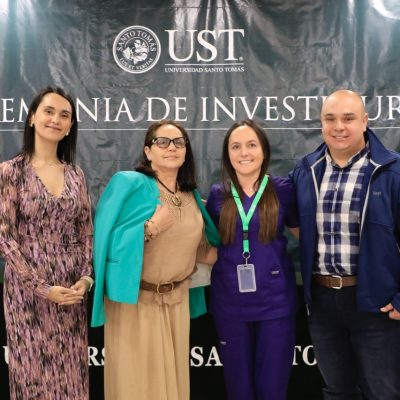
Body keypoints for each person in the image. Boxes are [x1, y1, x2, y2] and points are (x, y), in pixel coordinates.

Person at [91, 120, 220, 400]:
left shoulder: (190, 195)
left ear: (186, 152)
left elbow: (199, 250)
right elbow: (104, 242)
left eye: (179, 142)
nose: (171, 147)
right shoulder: (130, 183)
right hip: (136, 303)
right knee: (137, 387)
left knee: (174, 387)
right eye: (162, 142)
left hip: (177, 302)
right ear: (148, 152)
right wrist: (149, 229)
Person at [290, 89, 400, 399]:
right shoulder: (305, 170)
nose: (339, 126)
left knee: (383, 393)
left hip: (377, 303)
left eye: (348, 118)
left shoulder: (392, 171)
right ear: (321, 123)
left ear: (365, 121)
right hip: (323, 301)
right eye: (330, 119)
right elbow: (298, 226)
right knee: (337, 391)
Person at [0, 87, 93, 399]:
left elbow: (86, 232)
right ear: (32, 118)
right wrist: (41, 288)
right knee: (32, 375)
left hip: (70, 291)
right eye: (49, 111)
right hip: (27, 291)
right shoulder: (10, 172)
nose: (56, 119)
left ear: (70, 126)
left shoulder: (76, 175)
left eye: (64, 115)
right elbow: (4, 237)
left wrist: (85, 279)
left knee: (72, 374)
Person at [206, 119, 298, 400]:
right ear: (228, 154)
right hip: (230, 304)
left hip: (275, 305)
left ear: (264, 151)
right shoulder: (218, 194)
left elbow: (304, 237)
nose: (244, 152)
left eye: (251, 145)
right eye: (236, 146)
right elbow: (205, 243)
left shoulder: (283, 189)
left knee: (273, 388)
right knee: (239, 389)